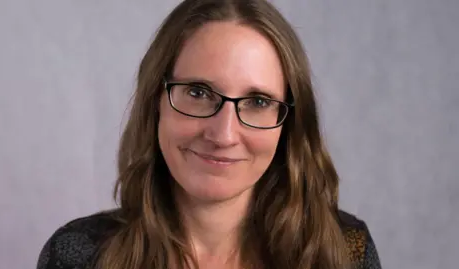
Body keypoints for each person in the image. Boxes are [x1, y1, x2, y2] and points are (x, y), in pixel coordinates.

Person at [36, 0, 382, 268]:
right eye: (199, 93)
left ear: (287, 121)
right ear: (156, 100)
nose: (224, 134)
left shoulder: (344, 251)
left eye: (257, 101)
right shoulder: (79, 256)